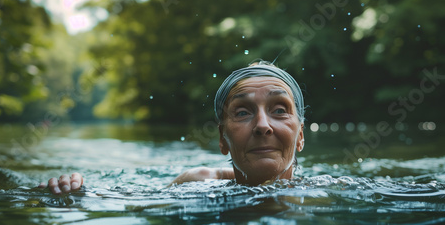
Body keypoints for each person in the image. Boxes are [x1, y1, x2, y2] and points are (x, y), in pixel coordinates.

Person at [39, 60, 305, 194]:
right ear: (222, 139)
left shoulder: (336, 192)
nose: (262, 125)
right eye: (243, 112)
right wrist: (75, 192)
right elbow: (133, 204)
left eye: (279, 110)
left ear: (301, 136)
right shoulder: (198, 183)